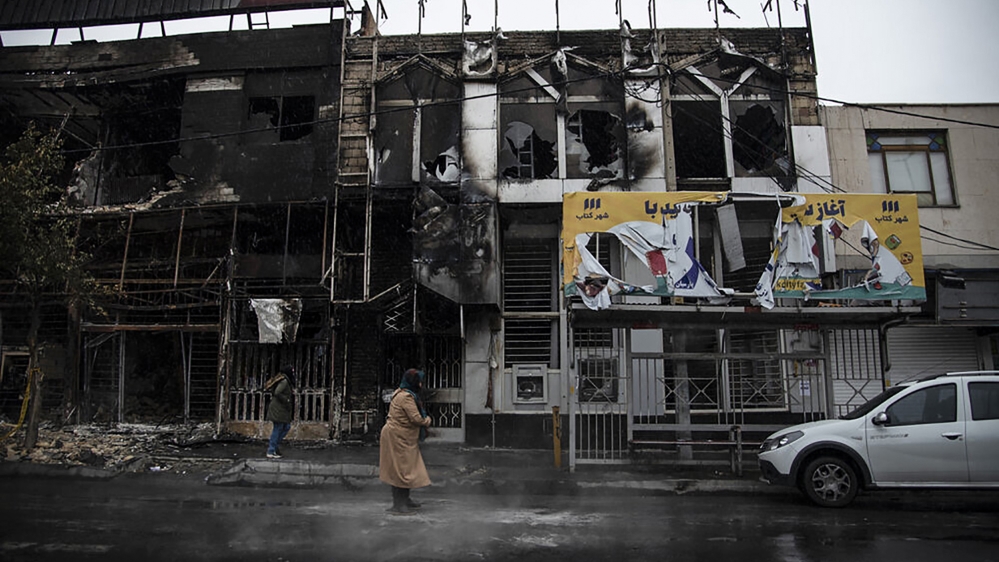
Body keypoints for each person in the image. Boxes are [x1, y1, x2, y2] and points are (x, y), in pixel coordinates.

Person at [379, 368, 432, 514]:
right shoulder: (406, 397)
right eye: (419, 382)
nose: (421, 385)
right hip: (397, 438)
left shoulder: (403, 393)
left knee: (405, 470)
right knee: (400, 471)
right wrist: (427, 420)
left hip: (402, 437)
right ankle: (398, 504)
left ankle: (405, 500)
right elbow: (416, 419)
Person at [264, 365, 294, 459]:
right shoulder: (284, 381)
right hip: (278, 409)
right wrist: (287, 400)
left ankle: (275, 447)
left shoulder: (285, 380)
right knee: (278, 428)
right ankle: (271, 450)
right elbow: (277, 392)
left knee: (286, 427)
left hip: (281, 409)